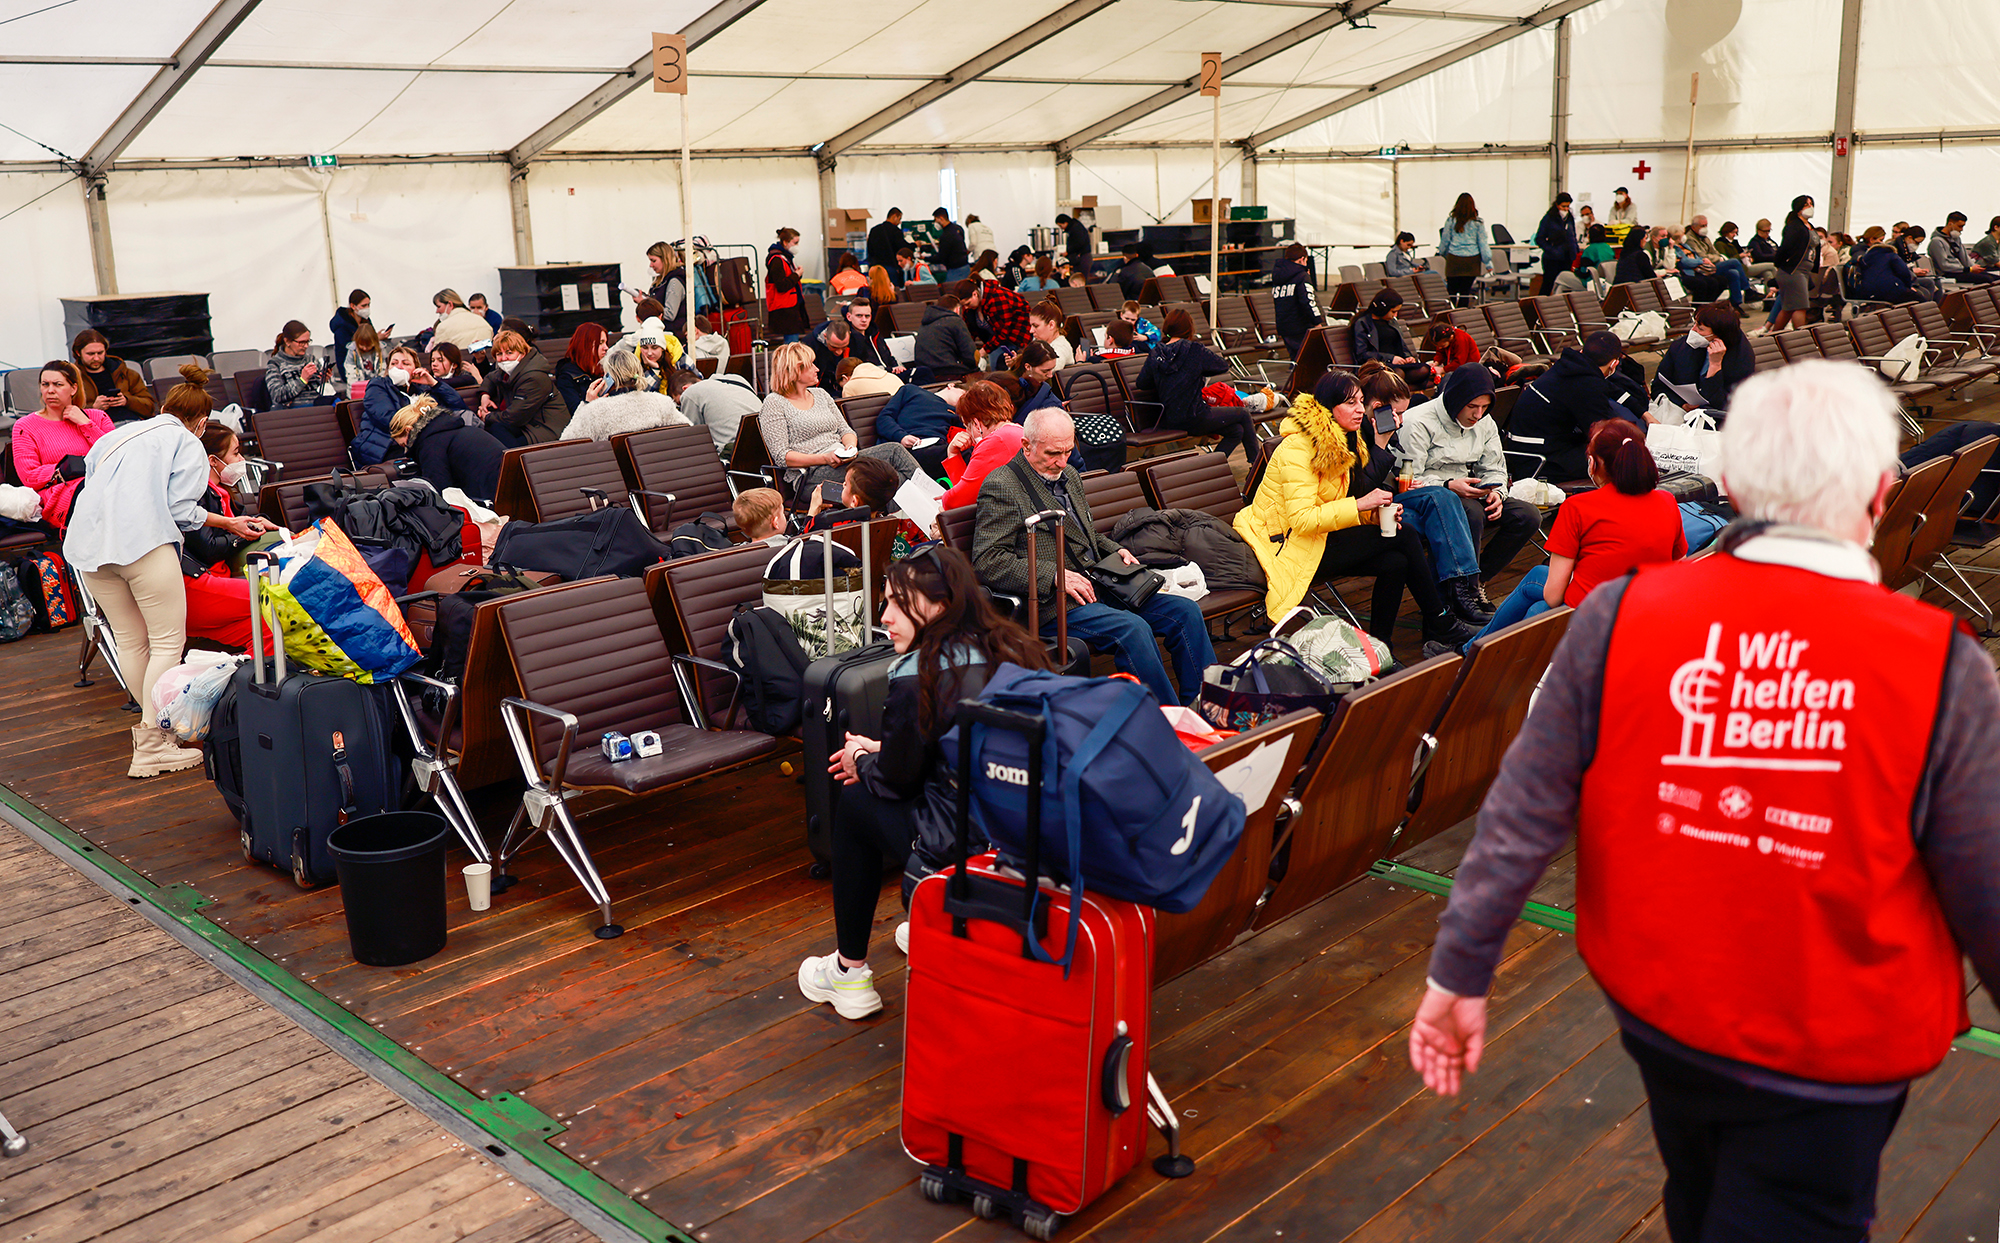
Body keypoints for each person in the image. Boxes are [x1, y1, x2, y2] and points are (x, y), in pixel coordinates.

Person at [1412, 360, 2000, 1243]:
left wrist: (1459, 971)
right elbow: (1985, 881)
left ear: (1728, 482)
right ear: (1882, 491)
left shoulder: (1619, 615)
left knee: (1699, 1184)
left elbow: (1523, 809)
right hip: (1837, 1042)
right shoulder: (1941, 664)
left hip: (1662, 1007)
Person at [797, 544, 1051, 1020]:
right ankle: (927, 926)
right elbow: (961, 749)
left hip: (965, 847)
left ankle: (849, 974)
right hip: (1027, 836)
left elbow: (896, 782)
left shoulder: (921, 674)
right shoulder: (1013, 647)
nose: (886, 616)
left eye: (898, 602)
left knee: (853, 802)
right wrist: (880, 751)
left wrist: (860, 757)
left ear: (938, 606)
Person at [65, 366, 253, 778]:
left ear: (165, 406)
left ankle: (153, 739)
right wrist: (230, 523)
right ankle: (154, 741)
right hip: (142, 544)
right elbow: (183, 512)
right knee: (168, 640)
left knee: (132, 642)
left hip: (89, 549)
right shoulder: (186, 441)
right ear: (201, 423)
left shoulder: (117, 433)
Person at [973, 409, 1215, 706]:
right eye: (1052, 453)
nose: (1062, 461)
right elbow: (987, 560)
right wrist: (1053, 575)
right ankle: (1168, 723)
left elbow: (1085, 534)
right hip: (1051, 604)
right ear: (1026, 446)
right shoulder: (1002, 486)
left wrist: (1115, 550)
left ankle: (1210, 705)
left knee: (1185, 613)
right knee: (1132, 629)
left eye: (1067, 451)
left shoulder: (1069, 475)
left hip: (1099, 585)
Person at [1234, 372, 1473, 653]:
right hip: (1287, 545)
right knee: (1405, 535)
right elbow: (1302, 520)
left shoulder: (1348, 438)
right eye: (1350, 403)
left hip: (1322, 536)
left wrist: (1373, 510)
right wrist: (1362, 505)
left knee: (1395, 561)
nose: (1360, 409)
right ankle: (1439, 622)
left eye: (1361, 401)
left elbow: (1352, 494)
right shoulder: (1298, 448)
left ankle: (1383, 647)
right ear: (1327, 408)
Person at [1471, 418, 1684, 646]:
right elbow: (1677, 563)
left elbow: (1553, 597)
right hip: (1645, 607)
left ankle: (1472, 655)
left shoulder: (1578, 507)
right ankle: (1477, 652)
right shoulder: (1666, 500)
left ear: (1593, 463)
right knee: (1536, 590)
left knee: (1539, 603)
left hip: (1593, 614)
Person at [1398, 363, 1542, 613]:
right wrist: (1448, 485)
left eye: (1485, 407)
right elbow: (1409, 480)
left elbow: (1496, 466)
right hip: (1431, 494)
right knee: (1471, 514)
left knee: (1528, 516)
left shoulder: (1485, 421)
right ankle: (1463, 592)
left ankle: (1478, 580)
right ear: (1455, 400)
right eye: (1472, 407)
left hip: (1472, 487)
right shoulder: (1418, 422)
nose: (1478, 414)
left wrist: (1497, 493)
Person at [759, 343, 918, 497]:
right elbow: (781, 456)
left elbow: (846, 430)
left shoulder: (821, 394)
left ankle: (902, 520)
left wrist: (849, 448)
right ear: (796, 370)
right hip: (812, 479)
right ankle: (935, 502)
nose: (817, 369)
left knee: (891, 480)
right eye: (811, 365)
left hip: (843, 464)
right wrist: (825, 458)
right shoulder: (774, 403)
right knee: (893, 452)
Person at [182, 421, 278, 654]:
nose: (241, 460)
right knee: (277, 596)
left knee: (270, 630)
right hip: (199, 584)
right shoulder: (193, 495)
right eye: (236, 453)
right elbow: (209, 548)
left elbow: (239, 520)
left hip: (217, 581)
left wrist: (256, 523)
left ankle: (255, 681)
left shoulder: (221, 493)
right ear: (213, 461)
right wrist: (245, 534)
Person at [1137, 308, 1257, 472]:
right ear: (1189, 329)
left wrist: (1164, 378)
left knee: (1236, 431)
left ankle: (1211, 470)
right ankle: (1257, 465)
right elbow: (1222, 365)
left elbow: (1142, 383)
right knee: (1243, 414)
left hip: (1169, 418)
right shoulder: (1194, 349)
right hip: (1195, 416)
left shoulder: (1155, 353)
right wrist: (1197, 370)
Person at [1505, 331, 1630, 482]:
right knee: (1619, 461)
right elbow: (1605, 434)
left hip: (1520, 451)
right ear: (1614, 364)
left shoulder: (1566, 367)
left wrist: (1643, 414)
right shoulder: (1588, 384)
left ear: (1582, 351)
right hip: (1542, 460)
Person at [14, 361, 115, 530]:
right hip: (59, 495)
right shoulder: (26, 426)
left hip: (104, 488)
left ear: (73, 388)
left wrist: (85, 424)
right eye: (45, 384)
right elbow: (29, 476)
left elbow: (116, 455)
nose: (50, 390)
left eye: (58, 384)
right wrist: (68, 468)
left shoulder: (98, 418)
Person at [352, 344, 466, 466]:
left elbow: (458, 406)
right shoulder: (378, 385)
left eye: (406, 364)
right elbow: (388, 419)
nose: (399, 367)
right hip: (385, 446)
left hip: (424, 442)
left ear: (415, 369)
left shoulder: (422, 389)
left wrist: (434, 383)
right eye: (394, 363)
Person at [391, 395, 506, 500]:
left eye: (403, 444)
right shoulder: (452, 429)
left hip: (489, 496)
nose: (405, 450)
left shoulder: (430, 445)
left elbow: (440, 490)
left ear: (408, 430)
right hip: (505, 487)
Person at [560, 348, 687, 442]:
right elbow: (687, 430)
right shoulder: (661, 403)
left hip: (612, 474)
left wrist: (586, 404)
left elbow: (567, 443)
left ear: (608, 376)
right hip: (654, 472)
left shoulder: (595, 411)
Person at [1655, 302, 1754, 414]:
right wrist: (1682, 404)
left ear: (1719, 336)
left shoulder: (1741, 357)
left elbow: (1723, 404)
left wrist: (1715, 365)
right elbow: (1659, 386)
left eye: (1700, 329)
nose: (1693, 330)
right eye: (1695, 324)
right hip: (1680, 411)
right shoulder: (1681, 347)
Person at [940, 380, 1024, 509]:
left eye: (966, 426)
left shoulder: (996, 442)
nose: (967, 433)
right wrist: (953, 454)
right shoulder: (1018, 431)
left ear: (976, 423)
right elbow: (967, 493)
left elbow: (956, 502)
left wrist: (948, 495)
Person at [476, 330, 564, 448]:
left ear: (522, 353)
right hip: (527, 424)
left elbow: (515, 417)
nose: (504, 358)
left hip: (547, 429)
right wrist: (485, 396)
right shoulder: (511, 370)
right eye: (499, 354)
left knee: (495, 434)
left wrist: (487, 416)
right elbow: (491, 377)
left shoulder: (534, 377)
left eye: (509, 352)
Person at [1352, 289, 1430, 389]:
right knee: (1397, 374)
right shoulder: (1363, 323)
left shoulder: (1392, 322)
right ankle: (1401, 393)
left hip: (1397, 365)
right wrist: (1390, 358)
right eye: (1393, 311)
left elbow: (1402, 346)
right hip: (1377, 366)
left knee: (1423, 369)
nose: (1395, 315)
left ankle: (1400, 391)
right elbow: (1362, 354)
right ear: (1383, 309)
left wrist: (1408, 357)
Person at [68, 330, 154, 422]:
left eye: (100, 353)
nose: (96, 358)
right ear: (78, 353)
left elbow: (149, 407)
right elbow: (65, 412)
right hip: (99, 428)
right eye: (90, 354)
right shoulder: (71, 379)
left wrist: (127, 401)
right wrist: (93, 408)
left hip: (133, 422)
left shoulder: (127, 374)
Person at [802, 455, 902, 534]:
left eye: (845, 484)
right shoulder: (889, 524)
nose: (843, 484)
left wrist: (813, 510)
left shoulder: (827, 520)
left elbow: (801, 540)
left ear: (854, 501)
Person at [679, 369, 761, 457]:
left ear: (685, 388)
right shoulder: (737, 379)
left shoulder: (690, 393)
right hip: (764, 443)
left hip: (735, 453)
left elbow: (692, 441)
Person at [1771, 195, 1820, 331]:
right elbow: (1785, 247)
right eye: (1806, 204)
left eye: (1811, 204)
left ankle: (1774, 336)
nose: (1810, 207)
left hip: (1803, 271)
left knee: (1788, 309)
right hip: (1793, 271)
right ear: (1798, 208)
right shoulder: (1794, 226)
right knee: (1800, 306)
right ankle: (1801, 338)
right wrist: (1781, 263)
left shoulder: (1810, 227)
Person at [1682, 216, 1751, 307]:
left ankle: (1736, 304)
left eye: (1706, 225)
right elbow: (1703, 256)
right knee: (1734, 262)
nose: (1705, 228)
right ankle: (1748, 290)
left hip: (1712, 265)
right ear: (1693, 227)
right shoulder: (1690, 239)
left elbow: (1715, 252)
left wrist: (1716, 257)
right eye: (1702, 226)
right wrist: (1717, 258)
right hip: (1703, 267)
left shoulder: (1705, 238)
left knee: (1733, 273)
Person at [1271, 242, 1323, 358]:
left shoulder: (1278, 275)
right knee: (1309, 359)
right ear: (1302, 259)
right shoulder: (1301, 276)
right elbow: (1308, 301)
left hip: (1284, 326)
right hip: (1301, 325)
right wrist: (1317, 321)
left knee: (1295, 360)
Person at [264, 320, 332, 408]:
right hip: (295, 409)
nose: (306, 346)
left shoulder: (311, 359)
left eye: (308, 341)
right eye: (301, 342)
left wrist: (324, 380)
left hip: (318, 404)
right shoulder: (275, 364)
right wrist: (302, 380)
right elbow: (277, 396)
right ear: (287, 342)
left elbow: (320, 390)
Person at [1439, 193, 1494, 300]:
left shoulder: (1451, 221)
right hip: (1472, 260)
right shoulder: (1478, 222)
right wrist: (1488, 262)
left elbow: (1445, 240)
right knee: (1466, 291)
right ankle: (1462, 312)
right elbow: (1482, 243)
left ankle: (1451, 312)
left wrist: (1443, 253)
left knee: (1452, 291)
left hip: (1454, 258)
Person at [914, 294, 979, 379]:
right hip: (949, 372)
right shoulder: (955, 321)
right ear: (957, 309)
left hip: (926, 374)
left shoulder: (925, 323)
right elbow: (969, 354)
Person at [549, 322, 607, 415]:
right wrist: (590, 403)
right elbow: (575, 414)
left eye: (606, 342)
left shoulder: (605, 370)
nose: (606, 348)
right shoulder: (567, 377)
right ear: (585, 345)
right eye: (600, 343)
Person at [639, 241, 691, 343]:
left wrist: (646, 305)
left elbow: (670, 314)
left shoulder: (674, 282)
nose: (651, 265)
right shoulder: (662, 281)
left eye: (653, 261)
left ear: (664, 259)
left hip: (674, 337)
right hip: (665, 335)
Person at [1005, 341, 1065, 426]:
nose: (1050, 375)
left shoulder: (1045, 381)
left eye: (1052, 369)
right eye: (1045, 371)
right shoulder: (1007, 386)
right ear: (1028, 367)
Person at [1928, 211, 1995, 285]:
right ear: (1950, 224)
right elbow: (1944, 265)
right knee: (1987, 279)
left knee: (1995, 278)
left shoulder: (1956, 239)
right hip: (1949, 274)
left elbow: (1964, 258)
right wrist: (1968, 269)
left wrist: (1973, 267)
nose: (1961, 229)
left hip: (1962, 270)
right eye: (1960, 226)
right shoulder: (1936, 242)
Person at [766, 228, 808, 342]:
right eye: (795, 243)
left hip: (791, 306)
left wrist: (797, 275)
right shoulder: (776, 260)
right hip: (785, 308)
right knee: (791, 343)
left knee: (793, 341)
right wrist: (796, 275)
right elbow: (781, 285)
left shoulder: (786, 258)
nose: (797, 246)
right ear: (785, 242)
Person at [1535, 194, 1580, 298]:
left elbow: (1572, 235)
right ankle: (1539, 307)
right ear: (1557, 205)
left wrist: (1575, 251)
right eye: (1563, 206)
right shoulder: (1549, 218)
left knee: (1565, 285)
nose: (1566, 209)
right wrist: (1551, 249)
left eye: (1568, 206)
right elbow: (1539, 238)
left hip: (1567, 257)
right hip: (1552, 258)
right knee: (1548, 284)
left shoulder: (1569, 218)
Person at [330, 289, 370, 367]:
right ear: (352, 306)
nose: (367, 308)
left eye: (368, 305)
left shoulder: (365, 320)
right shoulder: (341, 326)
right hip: (350, 366)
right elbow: (347, 348)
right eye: (363, 306)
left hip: (367, 364)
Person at [1027, 301, 1073, 369]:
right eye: (1031, 326)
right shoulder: (1037, 342)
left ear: (1051, 325)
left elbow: (1046, 370)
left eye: (1036, 326)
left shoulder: (1061, 348)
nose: (1031, 331)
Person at [866, 208, 906, 285]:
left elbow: (870, 250)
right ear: (894, 216)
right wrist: (915, 244)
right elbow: (902, 247)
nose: (899, 222)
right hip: (891, 267)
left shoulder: (874, 230)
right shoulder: (896, 231)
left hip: (876, 268)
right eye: (899, 219)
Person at [345, 321, 388, 391]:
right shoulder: (352, 350)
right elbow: (350, 371)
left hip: (378, 387)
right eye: (361, 345)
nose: (365, 348)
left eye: (368, 345)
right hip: (358, 388)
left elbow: (384, 370)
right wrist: (355, 388)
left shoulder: (381, 349)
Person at [932, 208, 971, 283]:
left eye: (936, 220)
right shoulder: (958, 229)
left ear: (941, 218)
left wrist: (925, 258)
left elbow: (941, 257)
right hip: (965, 266)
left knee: (951, 291)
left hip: (955, 270)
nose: (935, 222)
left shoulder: (946, 235)